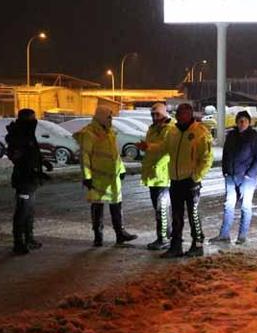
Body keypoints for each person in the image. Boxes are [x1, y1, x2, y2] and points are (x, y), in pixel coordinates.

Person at [77, 106, 137, 247]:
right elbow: (84, 156)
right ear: (101, 116)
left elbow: (114, 154)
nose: (111, 119)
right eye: (109, 117)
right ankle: (98, 236)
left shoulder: (109, 131)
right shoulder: (89, 133)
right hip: (97, 177)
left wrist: (121, 169)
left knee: (116, 203)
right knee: (97, 205)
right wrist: (87, 176)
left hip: (112, 176)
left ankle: (120, 234)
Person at [161, 103, 213, 258]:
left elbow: (207, 157)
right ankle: (176, 246)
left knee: (193, 214)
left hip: (190, 181)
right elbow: (164, 148)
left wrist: (196, 176)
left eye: (182, 113)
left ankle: (197, 244)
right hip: (175, 180)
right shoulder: (173, 131)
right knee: (176, 215)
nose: (178, 115)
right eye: (178, 113)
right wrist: (148, 147)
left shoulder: (200, 131)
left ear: (189, 114)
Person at [210, 110, 257, 245]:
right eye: (239, 121)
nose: (241, 123)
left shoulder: (255, 137)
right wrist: (225, 171)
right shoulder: (231, 135)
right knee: (229, 205)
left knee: (245, 206)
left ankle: (242, 236)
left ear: (249, 122)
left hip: (247, 178)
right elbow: (226, 154)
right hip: (231, 175)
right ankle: (224, 235)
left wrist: (249, 174)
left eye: (244, 121)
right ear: (236, 122)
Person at [5, 108, 52, 255]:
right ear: (25, 119)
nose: (35, 121)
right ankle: (18, 243)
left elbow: (33, 154)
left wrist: (43, 162)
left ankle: (29, 239)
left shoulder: (28, 134)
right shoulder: (18, 136)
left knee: (29, 211)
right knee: (22, 211)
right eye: (32, 118)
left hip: (31, 180)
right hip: (24, 180)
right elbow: (18, 159)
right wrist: (34, 172)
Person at [137, 103, 173, 250]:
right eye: (152, 114)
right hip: (154, 174)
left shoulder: (170, 129)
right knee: (160, 208)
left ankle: (163, 238)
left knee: (161, 209)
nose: (154, 117)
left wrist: (148, 147)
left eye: (157, 114)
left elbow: (165, 147)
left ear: (164, 114)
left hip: (163, 175)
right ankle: (168, 235)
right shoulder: (153, 128)